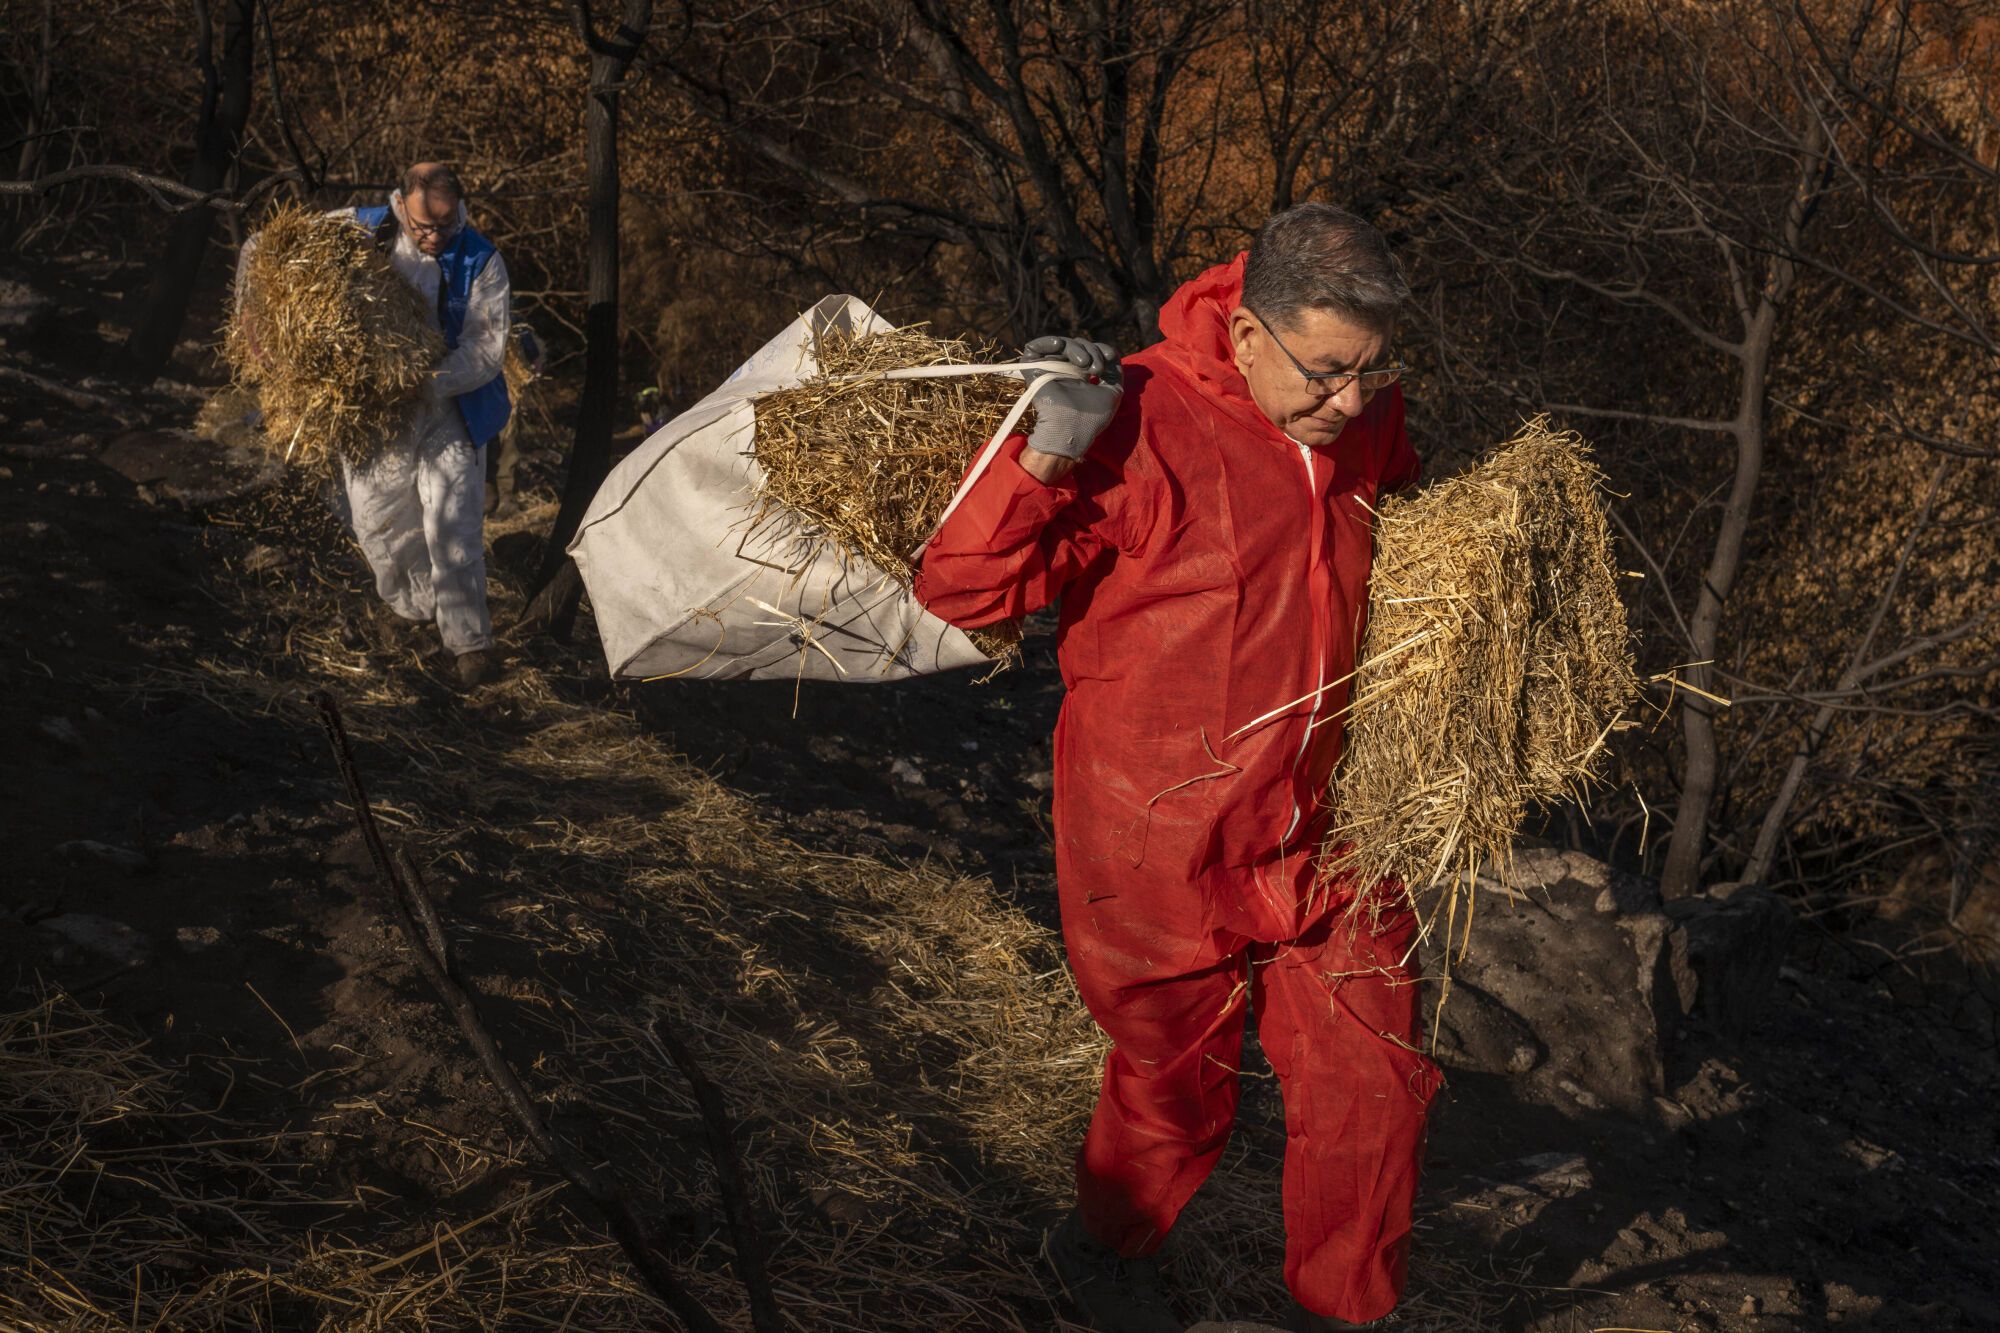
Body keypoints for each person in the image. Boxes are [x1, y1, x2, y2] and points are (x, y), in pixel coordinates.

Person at [913, 204, 1436, 1332]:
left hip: (1328, 822)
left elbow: (1407, 516)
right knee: (1177, 1085)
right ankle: (1102, 1248)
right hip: (1158, 831)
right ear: (1247, 334)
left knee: (1374, 1079)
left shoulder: (1362, 424)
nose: (1352, 403)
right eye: (1329, 372)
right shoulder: (1137, 419)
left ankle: (1340, 1314)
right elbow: (963, 591)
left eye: (1372, 372)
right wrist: (1044, 448)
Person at [242, 161, 512, 687]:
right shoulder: (360, 227)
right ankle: (413, 613)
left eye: (444, 224)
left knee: (454, 525)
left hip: (447, 405)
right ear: (399, 204)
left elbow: (486, 349)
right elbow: (262, 248)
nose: (433, 236)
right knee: (378, 519)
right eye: (422, 226)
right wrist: (254, 313)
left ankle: (469, 645)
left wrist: (419, 380)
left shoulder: (481, 258)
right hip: (372, 411)